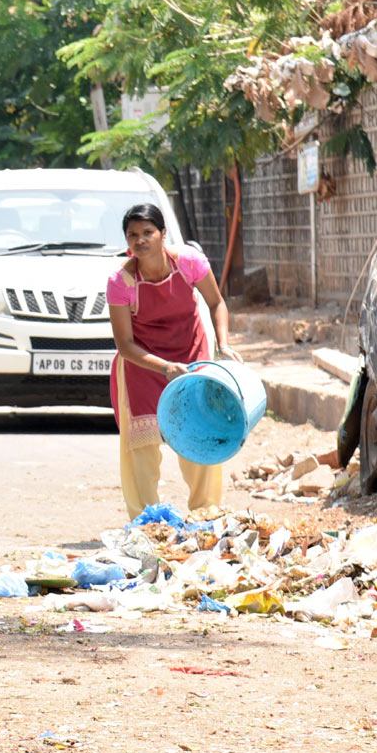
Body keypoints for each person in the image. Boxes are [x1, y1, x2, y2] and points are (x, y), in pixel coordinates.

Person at [107, 203, 242, 521]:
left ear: (163, 234)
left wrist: (222, 345)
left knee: (200, 433)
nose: (140, 241)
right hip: (143, 367)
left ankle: (206, 515)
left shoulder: (190, 263)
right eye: (133, 235)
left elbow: (216, 302)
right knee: (140, 450)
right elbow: (125, 345)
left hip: (192, 359)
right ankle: (145, 524)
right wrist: (164, 367)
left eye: (148, 233)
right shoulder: (120, 282)